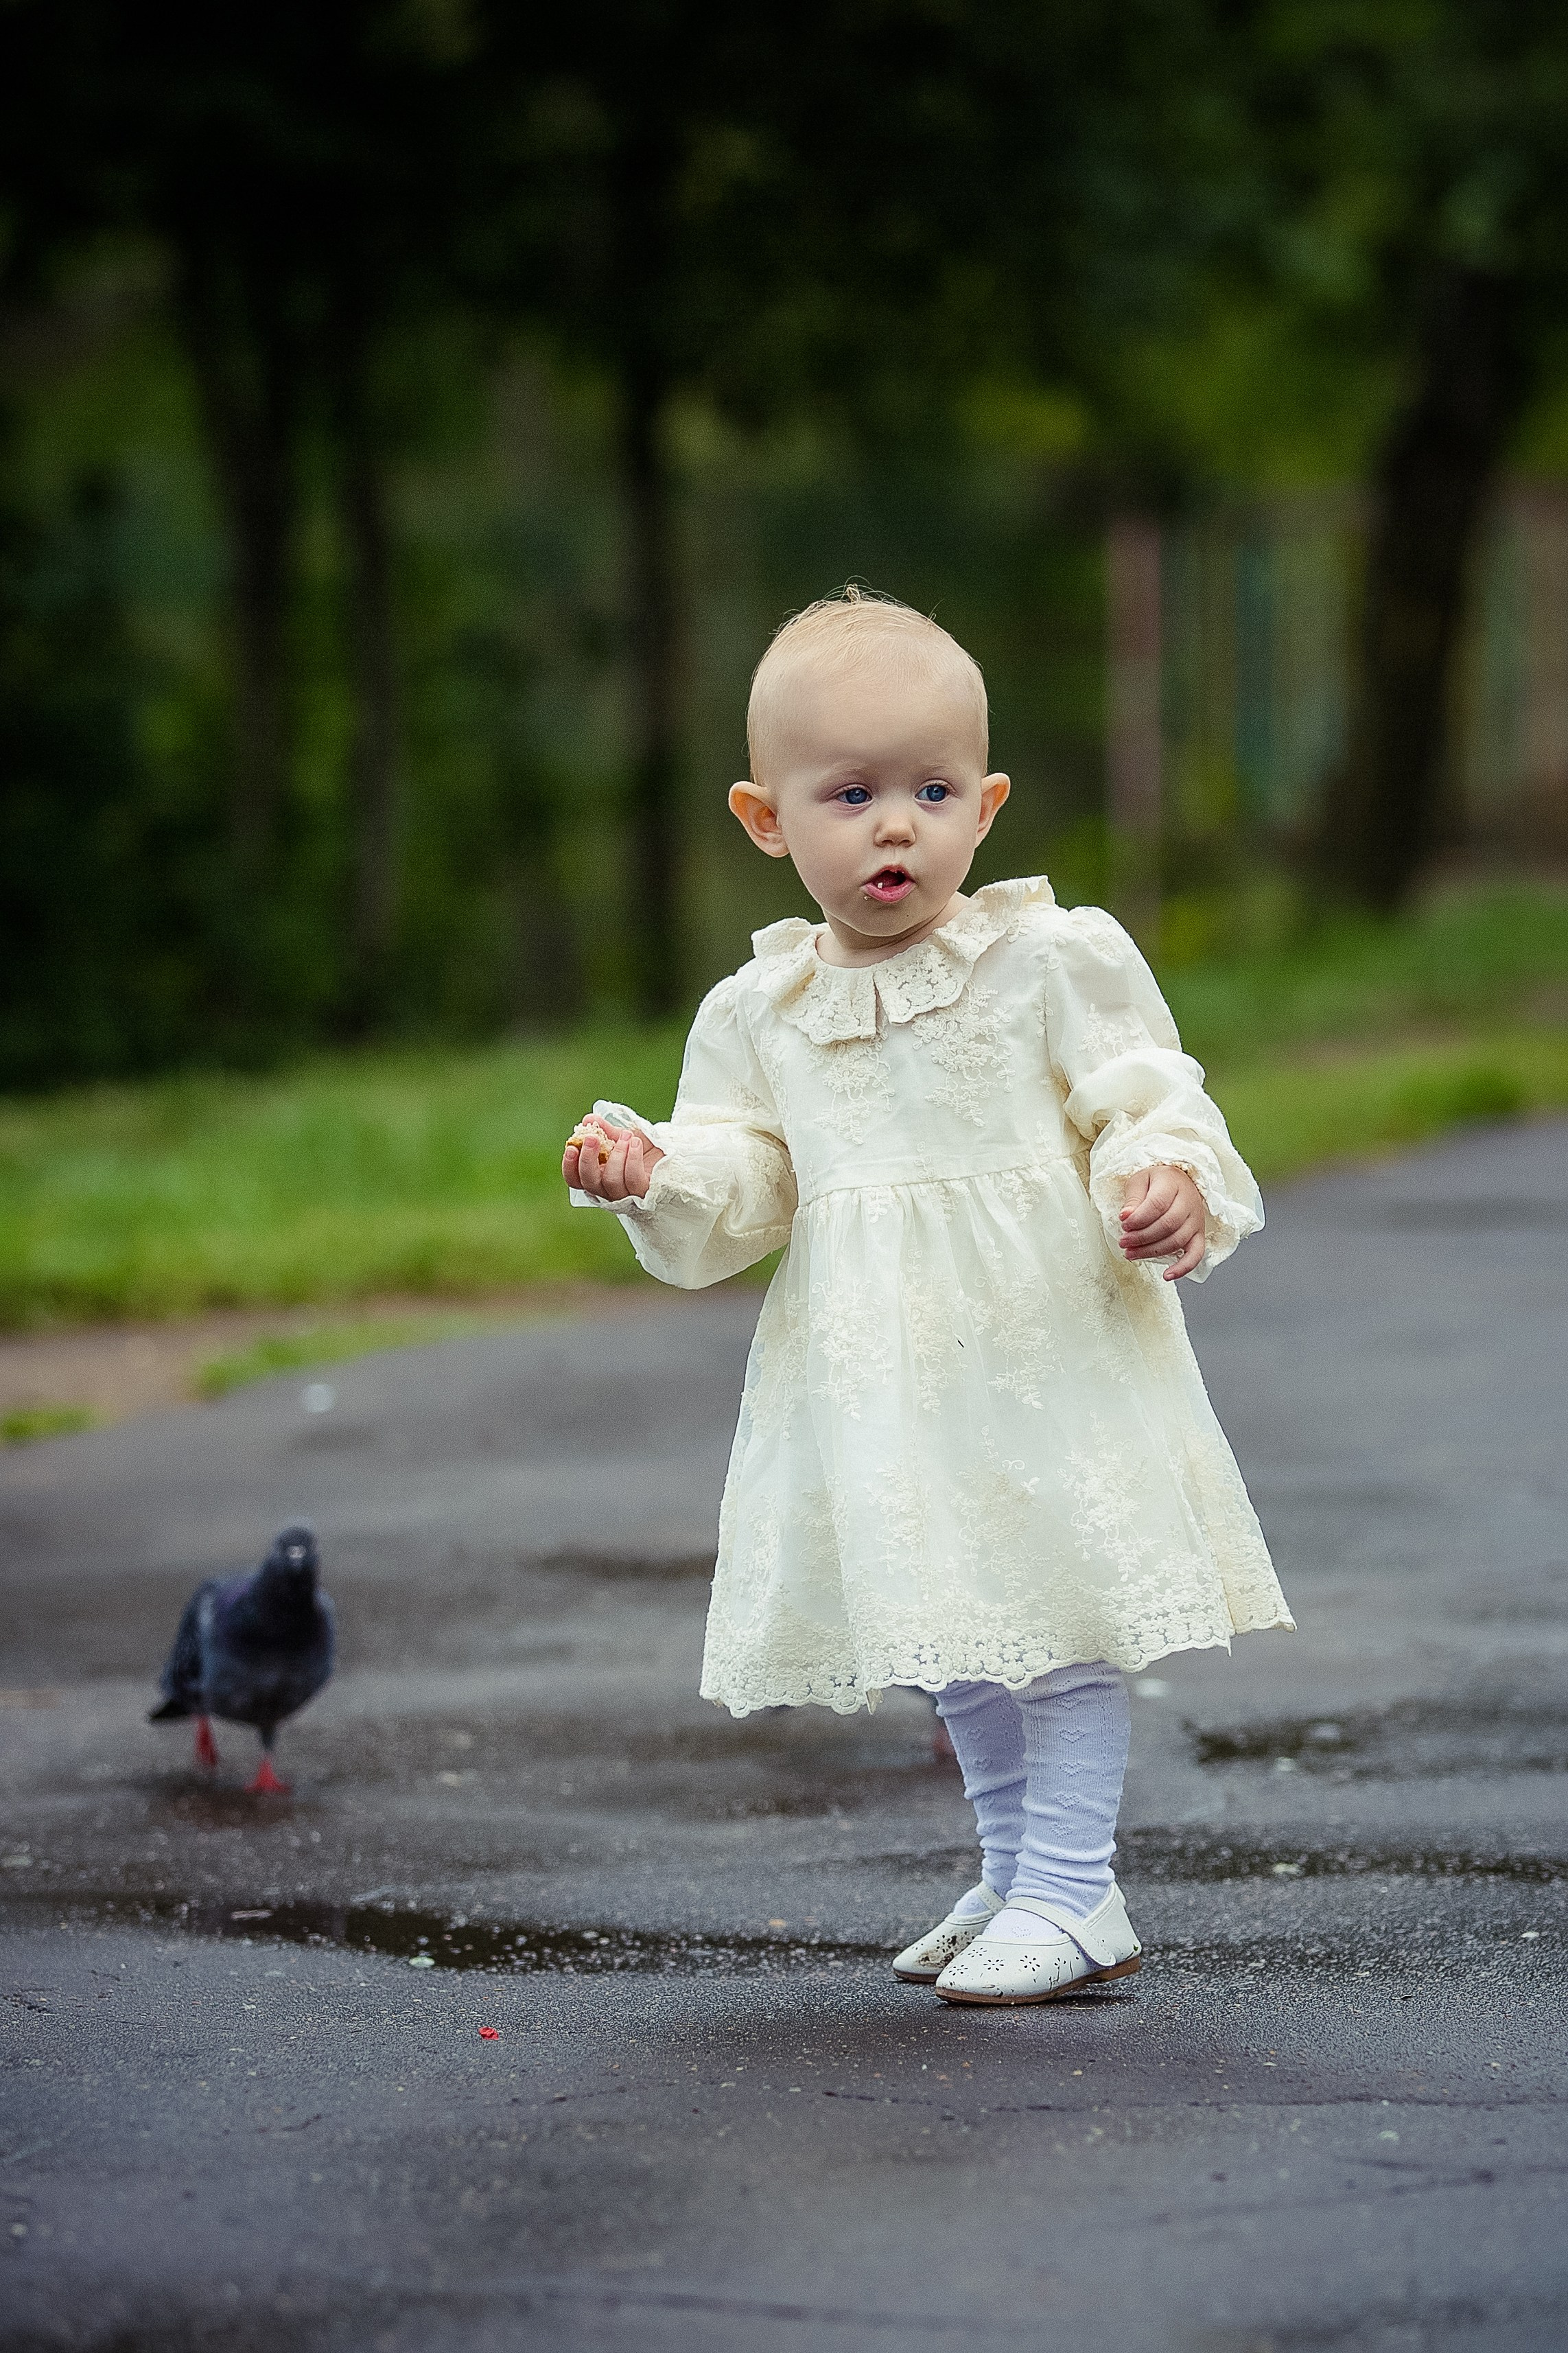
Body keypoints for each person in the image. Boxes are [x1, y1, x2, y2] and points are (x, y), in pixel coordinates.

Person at [563, 586, 1293, 2005]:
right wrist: (654, 1168)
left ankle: (1078, 1887)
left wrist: (1162, 1176)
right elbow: (751, 1179)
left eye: (934, 789)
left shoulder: (1045, 960)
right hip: (880, 1367)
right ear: (765, 818)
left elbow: (1144, 1091)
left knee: (1058, 1611)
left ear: (988, 802)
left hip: (1042, 1348)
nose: (897, 823)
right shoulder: (759, 1013)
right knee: (949, 1620)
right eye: (851, 793)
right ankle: (1016, 1866)